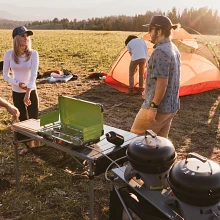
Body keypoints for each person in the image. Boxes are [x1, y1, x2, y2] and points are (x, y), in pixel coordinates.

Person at [130, 15, 181, 138]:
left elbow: (162, 82)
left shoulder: (160, 51)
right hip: (171, 106)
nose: (148, 33)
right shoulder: (173, 48)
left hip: (159, 108)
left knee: (136, 138)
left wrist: (153, 107)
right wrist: (148, 92)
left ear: (159, 31)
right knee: (160, 144)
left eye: (150, 29)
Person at [3, 26, 40, 153]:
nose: (26, 38)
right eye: (22, 36)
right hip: (16, 91)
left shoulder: (33, 54)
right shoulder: (9, 54)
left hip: (31, 91)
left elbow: (34, 74)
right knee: (23, 118)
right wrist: (17, 83)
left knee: (34, 119)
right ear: (16, 38)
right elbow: (6, 75)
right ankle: (29, 147)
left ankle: (37, 147)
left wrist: (28, 92)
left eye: (27, 36)